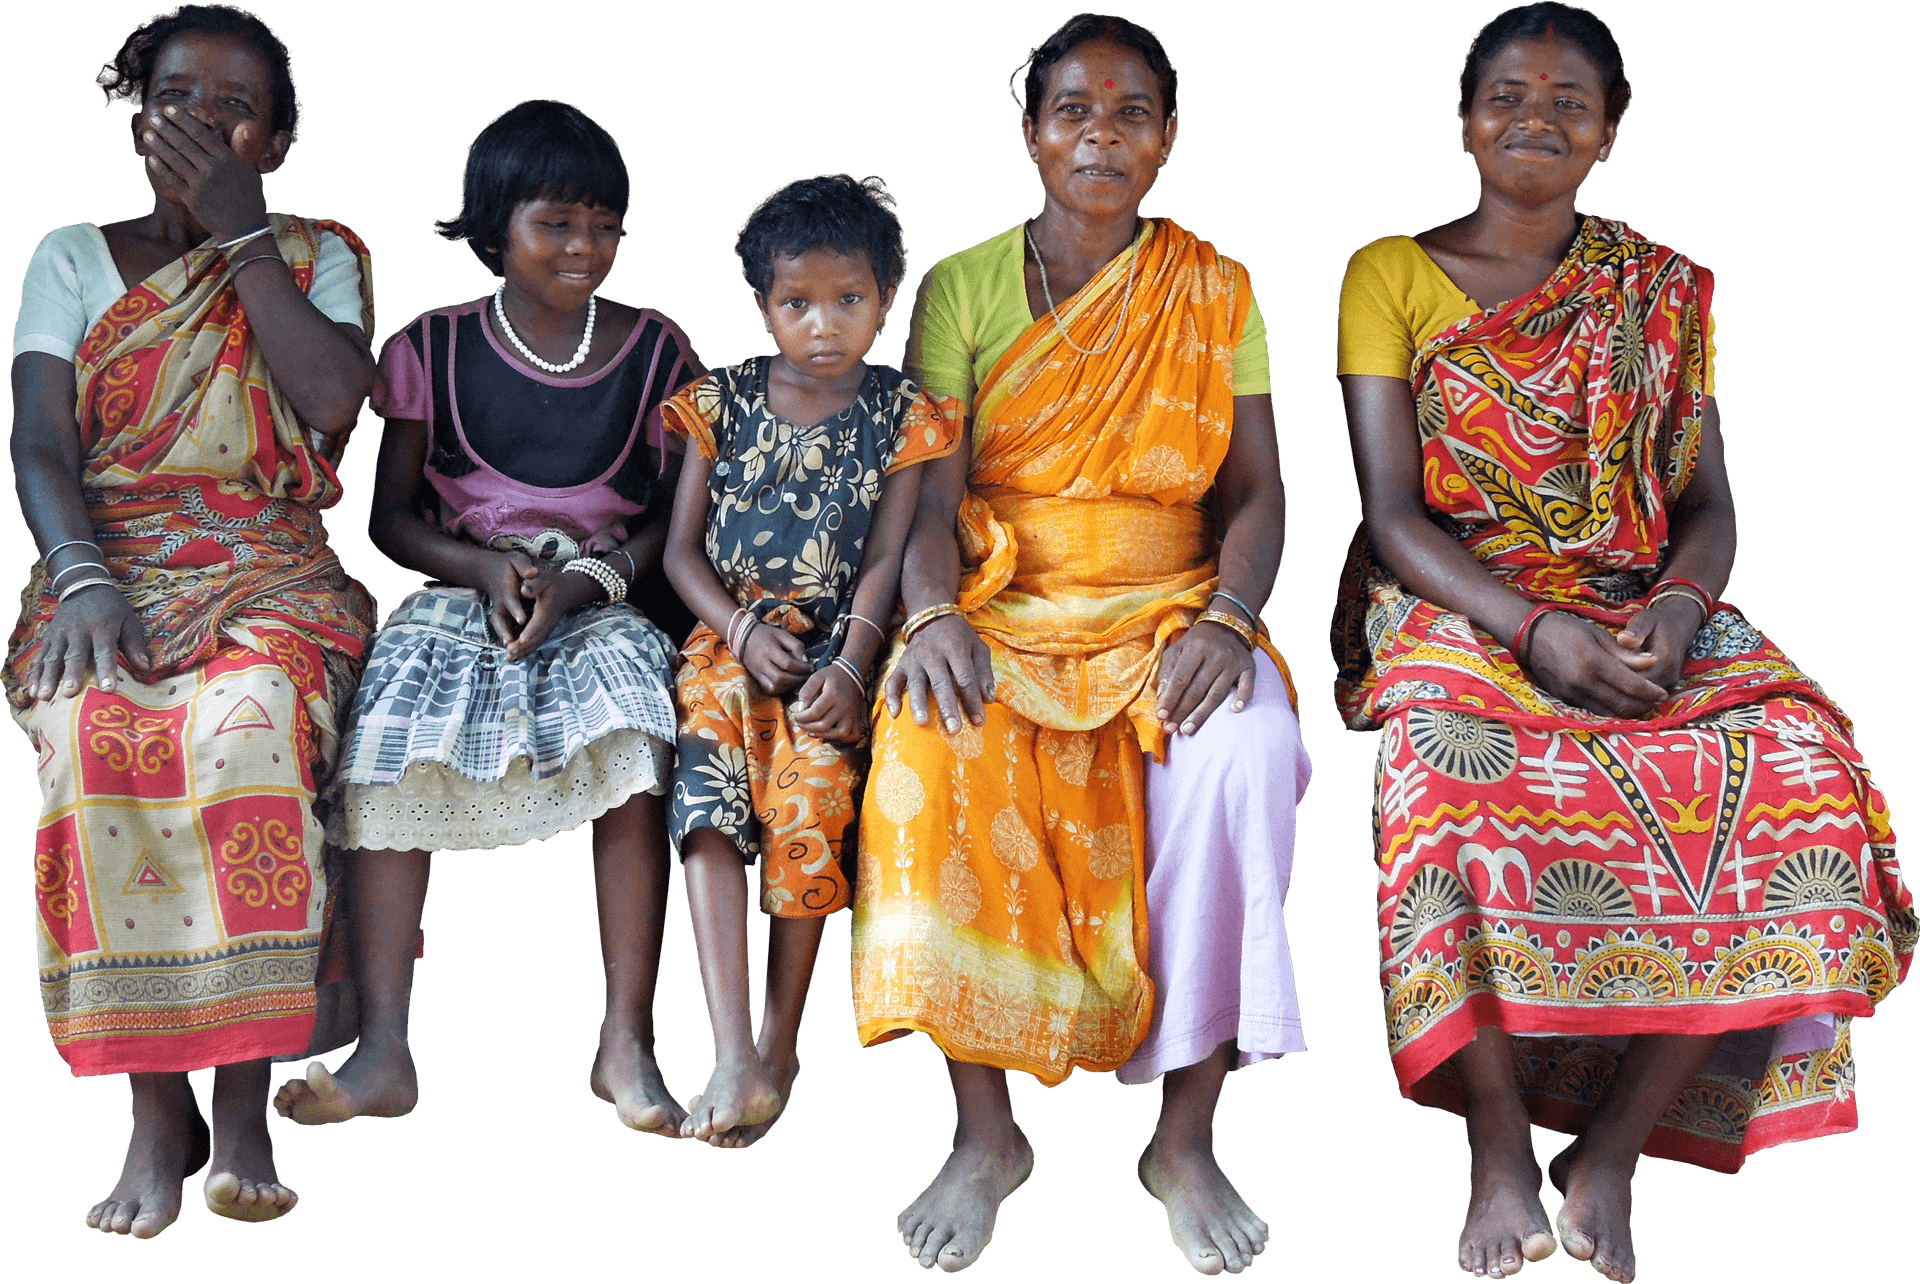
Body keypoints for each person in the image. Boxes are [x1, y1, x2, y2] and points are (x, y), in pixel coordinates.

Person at [1333, 5, 1911, 1281]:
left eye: (1568, 101)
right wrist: (1533, 631)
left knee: (1803, 772)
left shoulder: (1665, 289)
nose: (1534, 118)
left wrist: (1679, 613)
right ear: (1462, 115)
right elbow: (1388, 511)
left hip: (1644, 595)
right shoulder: (1388, 272)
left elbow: (1708, 505)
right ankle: (1492, 1137)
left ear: (1612, 130)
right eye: (1506, 93)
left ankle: (1614, 1145)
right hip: (1459, 599)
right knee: (1441, 772)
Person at [853, 14, 1310, 1275]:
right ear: (1030, 134)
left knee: (1251, 760)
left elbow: (1260, 493)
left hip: (1175, 607)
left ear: (1166, 141)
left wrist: (1230, 616)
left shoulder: (1216, 288)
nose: (1099, 133)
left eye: (1130, 114)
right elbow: (930, 502)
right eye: (1071, 110)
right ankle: (986, 1133)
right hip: (1001, 598)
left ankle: (1188, 1137)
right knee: (928, 744)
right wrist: (932, 614)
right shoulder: (962, 283)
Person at [7, 3, 376, 1237]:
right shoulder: (70, 256)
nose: (202, 123)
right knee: (98, 737)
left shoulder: (320, 254)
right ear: (133, 108)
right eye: (176, 97)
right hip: (109, 569)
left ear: (279, 137)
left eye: (236, 108)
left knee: (244, 732)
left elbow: (330, 405)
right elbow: (43, 444)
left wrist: (242, 241)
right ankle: (156, 1119)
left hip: (270, 576)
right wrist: (82, 580)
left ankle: (246, 1104)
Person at [270, 99, 701, 1137]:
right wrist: (482, 565)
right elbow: (390, 519)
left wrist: (583, 585)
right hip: (466, 589)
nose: (583, 247)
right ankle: (383, 1047)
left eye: (604, 225)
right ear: (493, 222)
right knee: (378, 740)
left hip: (602, 593)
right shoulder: (432, 347)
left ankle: (626, 1041)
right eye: (556, 223)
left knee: (640, 731)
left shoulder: (658, 355)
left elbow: (671, 530)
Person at [660, 175, 957, 1148]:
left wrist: (855, 663)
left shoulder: (905, 414)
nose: (823, 326)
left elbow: (887, 557)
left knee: (814, 795)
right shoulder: (721, 401)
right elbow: (678, 553)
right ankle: (731, 1048)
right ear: (761, 307)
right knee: (706, 795)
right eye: (796, 304)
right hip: (728, 642)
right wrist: (740, 634)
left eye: (849, 301)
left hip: (836, 652)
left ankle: (781, 1041)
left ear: (888, 294)